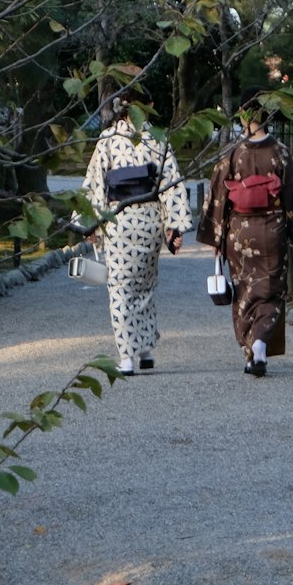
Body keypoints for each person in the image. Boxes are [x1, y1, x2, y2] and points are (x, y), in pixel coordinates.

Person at [79, 69, 193, 376]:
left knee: (120, 289)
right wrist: (174, 226)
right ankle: (145, 350)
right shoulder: (159, 139)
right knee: (144, 287)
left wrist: (89, 223)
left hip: (118, 221)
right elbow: (171, 183)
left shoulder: (108, 139)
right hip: (149, 221)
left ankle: (126, 357)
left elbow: (95, 185)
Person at [196, 89, 293, 378]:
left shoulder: (232, 154)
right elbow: (292, 197)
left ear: (243, 115)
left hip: (240, 233)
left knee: (244, 291)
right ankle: (259, 344)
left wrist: (216, 239)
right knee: (271, 291)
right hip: (272, 231)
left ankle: (250, 348)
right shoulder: (280, 152)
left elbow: (218, 198)